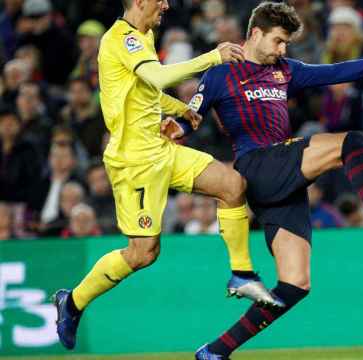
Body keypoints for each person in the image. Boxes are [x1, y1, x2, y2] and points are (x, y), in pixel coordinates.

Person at [176, 3, 363, 359]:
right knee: (352, 142)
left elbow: (339, 71)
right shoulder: (221, 74)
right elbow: (189, 116)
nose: (282, 49)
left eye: (286, 43)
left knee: (294, 285)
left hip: (282, 182)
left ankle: (214, 351)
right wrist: (173, 128)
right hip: (257, 164)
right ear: (255, 33)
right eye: (278, 41)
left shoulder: (285, 71)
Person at [52, 0, 283, 352]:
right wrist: (213, 57)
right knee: (143, 253)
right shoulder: (121, 39)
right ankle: (72, 302)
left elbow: (147, 91)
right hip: (134, 163)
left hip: (161, 149)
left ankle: (242, 274)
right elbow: (158, 76)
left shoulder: (143, 36)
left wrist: (182, 111)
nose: (166, 4)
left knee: (231, 184)